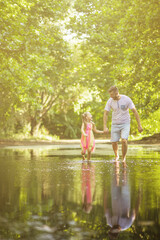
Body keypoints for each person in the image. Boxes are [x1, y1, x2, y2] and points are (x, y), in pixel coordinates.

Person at [103, 86, 143, 162]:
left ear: (116, 93)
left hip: (125, 123)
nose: (110, 96)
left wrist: (139, 125)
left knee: (124, 140)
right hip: (115, 123)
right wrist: (105, 126)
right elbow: (106, 113)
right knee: (114, 142)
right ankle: (116, 155)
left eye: (112, 95)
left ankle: (123, 158)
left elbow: (134, 111)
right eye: (110, 95)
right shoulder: (110, 101)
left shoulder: (126, 99)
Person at [104, 161, 141, 239]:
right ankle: (124, 163)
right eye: (114, 229)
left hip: (115, 198)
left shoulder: (110, 222)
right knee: (124, 177)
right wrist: (139, 196)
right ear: (118, 232)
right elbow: (134, 212)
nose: (112, 227)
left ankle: (117, 162)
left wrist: (105, 195)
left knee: (115, 178)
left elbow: (106, 209)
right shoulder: (127, 224)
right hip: (125, 198)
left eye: (111, 229)